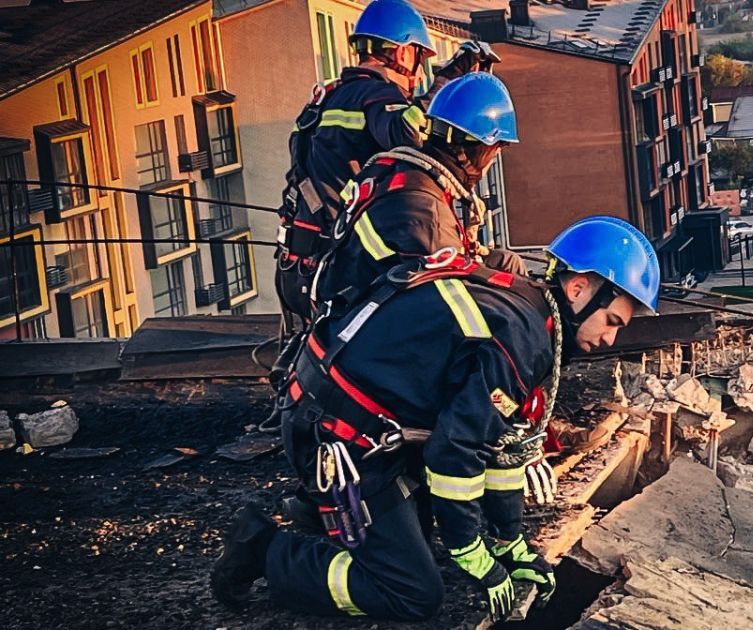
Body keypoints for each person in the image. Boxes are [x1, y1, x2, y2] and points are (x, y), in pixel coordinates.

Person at [211, 217, 660, 622]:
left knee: (423, 545)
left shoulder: (531, 316)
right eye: (612, 320)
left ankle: (333, 517)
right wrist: (471, 552)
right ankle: (264, 549)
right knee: (414, 593)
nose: (609, 338)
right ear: (579, 288)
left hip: (354, 422)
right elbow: (454, 453)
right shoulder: (523, 337)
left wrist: (507, 542)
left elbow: (500, 451)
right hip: (339, 439)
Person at [276, 0, 501, 321]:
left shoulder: (328, 97)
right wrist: (451, 79)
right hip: (342, 278)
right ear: (403, 52)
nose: (419, 73)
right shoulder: (377, 96)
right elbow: (410, 130)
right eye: (420, 59)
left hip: (299, 270)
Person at [312, 71, 523, 311]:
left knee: (508, 263)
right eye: (496, 150)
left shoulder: (406, 174)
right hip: (370, 322)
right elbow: (451, 302)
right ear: (477, 149)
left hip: (374, 296)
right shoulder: (424, 210)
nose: (493, 160)